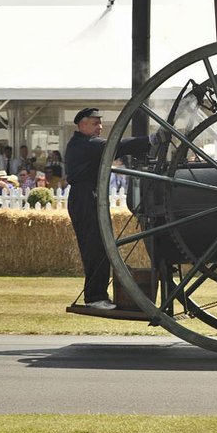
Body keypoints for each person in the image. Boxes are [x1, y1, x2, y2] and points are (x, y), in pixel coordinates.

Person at [65, 107, 155, 311]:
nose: (100, 127)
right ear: (82, 124)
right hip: (84, 198)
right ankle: (95, 297)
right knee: (94, 248)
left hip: (90, 197)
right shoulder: (84, 144)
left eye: (100, 122)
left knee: (100, 247)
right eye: (95, 123)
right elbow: (116, 146)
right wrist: (150, 139)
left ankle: (97, 295)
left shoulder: (85, 144)